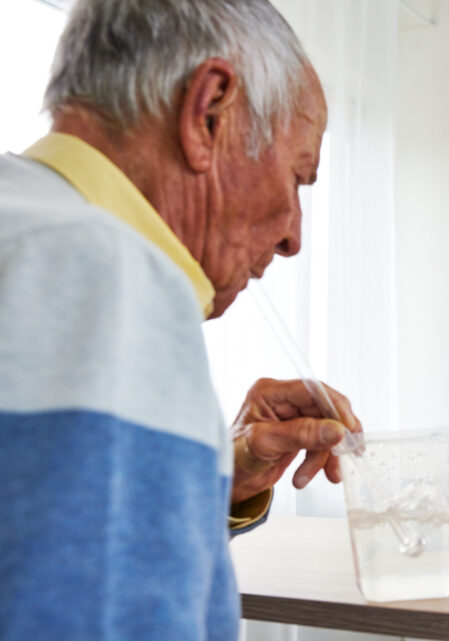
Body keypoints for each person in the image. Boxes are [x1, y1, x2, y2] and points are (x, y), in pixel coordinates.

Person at [0, 1, 360, 639]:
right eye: (298, 177)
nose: (293, 237)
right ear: (209, 112)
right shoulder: (104, 272)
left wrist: (210, 477)